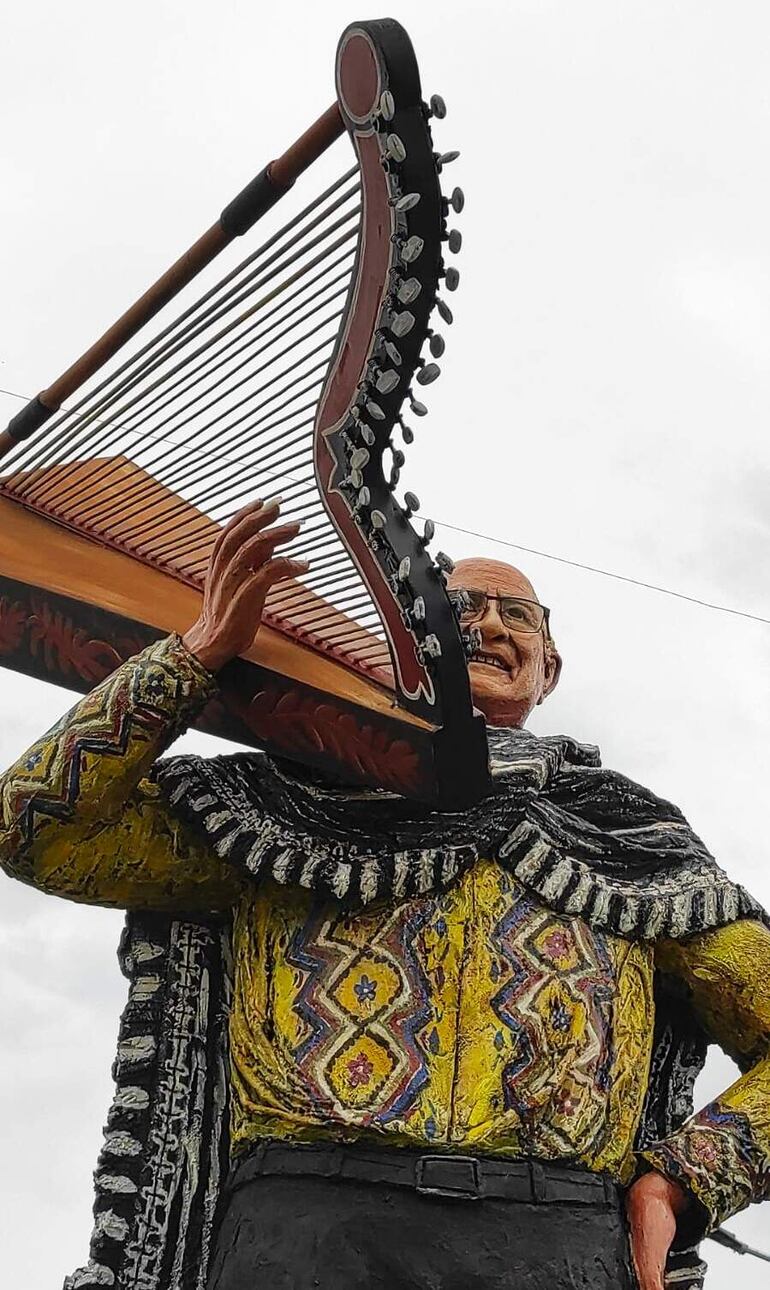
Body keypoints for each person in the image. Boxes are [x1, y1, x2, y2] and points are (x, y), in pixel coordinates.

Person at [1, 498, 768, 1290]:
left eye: (517, 616)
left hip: (560, 1240)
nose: (488, 627)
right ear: (397, 642)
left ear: (550, 667)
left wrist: (686, 1179)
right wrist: (193, 656)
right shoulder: (280, 806)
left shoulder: (636, 842)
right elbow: (34, 831)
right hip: (304, 1236)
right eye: (456, 607)